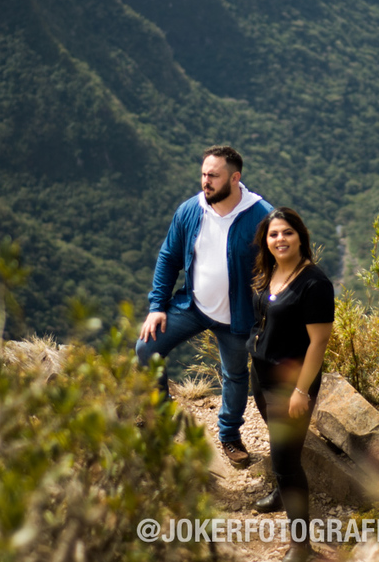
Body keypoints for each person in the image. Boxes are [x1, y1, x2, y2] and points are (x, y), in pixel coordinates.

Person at [137, 145, 273, 468]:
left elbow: (276, 268)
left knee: (235, 375)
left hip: (237, 317)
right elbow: (169, 257)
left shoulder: (261, 215)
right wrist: (157, 305)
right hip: (193, 305)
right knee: (145, 349)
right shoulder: (190, 210)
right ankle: (161, 419)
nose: (205, 182)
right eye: (203, 174)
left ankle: (229, 435)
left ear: (235, 178)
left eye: (213, 175)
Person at [246, 208, 334, 562]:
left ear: (301, 237)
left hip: (290, 384)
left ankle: (301, 545)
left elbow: (319, 342)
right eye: (273, 234)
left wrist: (301, 391)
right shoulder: (268, 273)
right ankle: (283, 491)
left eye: (287, 233)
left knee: (286, 461)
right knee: (280, 447)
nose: (279, 240)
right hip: (262, 374)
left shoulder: (314, 283)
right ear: (265, 241)